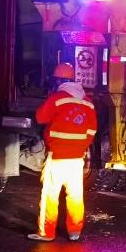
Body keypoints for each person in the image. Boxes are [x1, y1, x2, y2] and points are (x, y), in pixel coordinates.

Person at [28, 63, 97, 242]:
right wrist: (80, 147)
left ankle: (46, 233)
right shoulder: (87, 102)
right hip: (76, 159)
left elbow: (40, 117)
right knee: (75, 196)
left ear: (58, 80)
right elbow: (91, 130)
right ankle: (75, 232)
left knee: (50, 195)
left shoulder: (57, 98)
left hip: (57, 157)